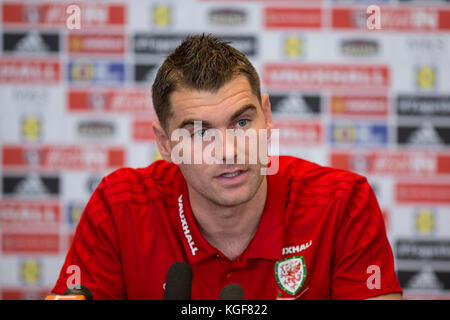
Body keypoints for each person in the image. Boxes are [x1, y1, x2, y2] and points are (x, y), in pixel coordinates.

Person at [51, 34, 402, 300]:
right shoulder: (119, 205)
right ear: (165, 144)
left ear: (267, 116)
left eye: (242, 123)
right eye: (200, 132)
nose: (229, 151)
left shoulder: (343, 203)